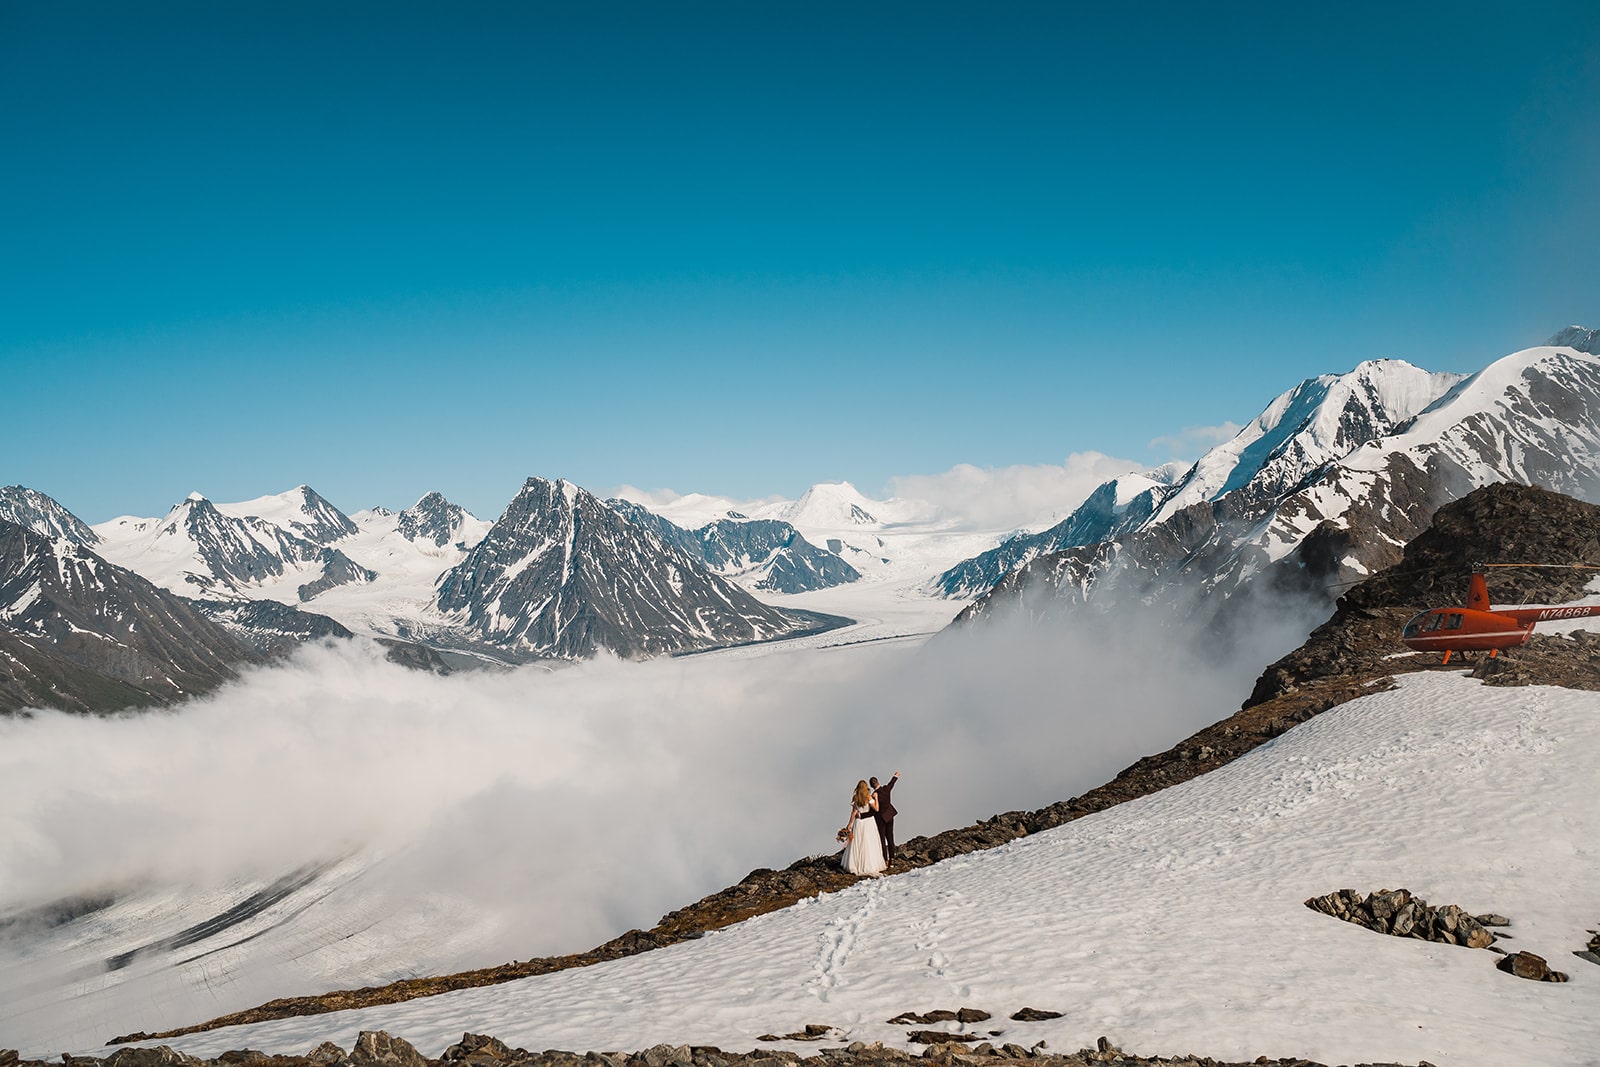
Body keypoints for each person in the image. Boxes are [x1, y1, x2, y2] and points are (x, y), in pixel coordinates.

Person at [838, 779, 886, 876]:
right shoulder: (868, 797)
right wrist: (876, 798)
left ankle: (856, 864)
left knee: (857, 843)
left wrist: (849, 825)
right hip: (869, 823)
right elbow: (876, 809)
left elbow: (853, 813)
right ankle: (869, 864)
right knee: (869, 842)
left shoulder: (856, 798)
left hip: (859, 823)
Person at [871, 771, 900, 864]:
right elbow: (892, 783)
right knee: (890, 838)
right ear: (878, 782)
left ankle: (885, 860)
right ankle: (892, 859)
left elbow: (872, 810)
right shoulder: (886, 789)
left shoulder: (873, 795)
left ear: (871, 786)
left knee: (882, 840)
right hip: (889, 816)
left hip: (880, 819)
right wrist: (895, 776)